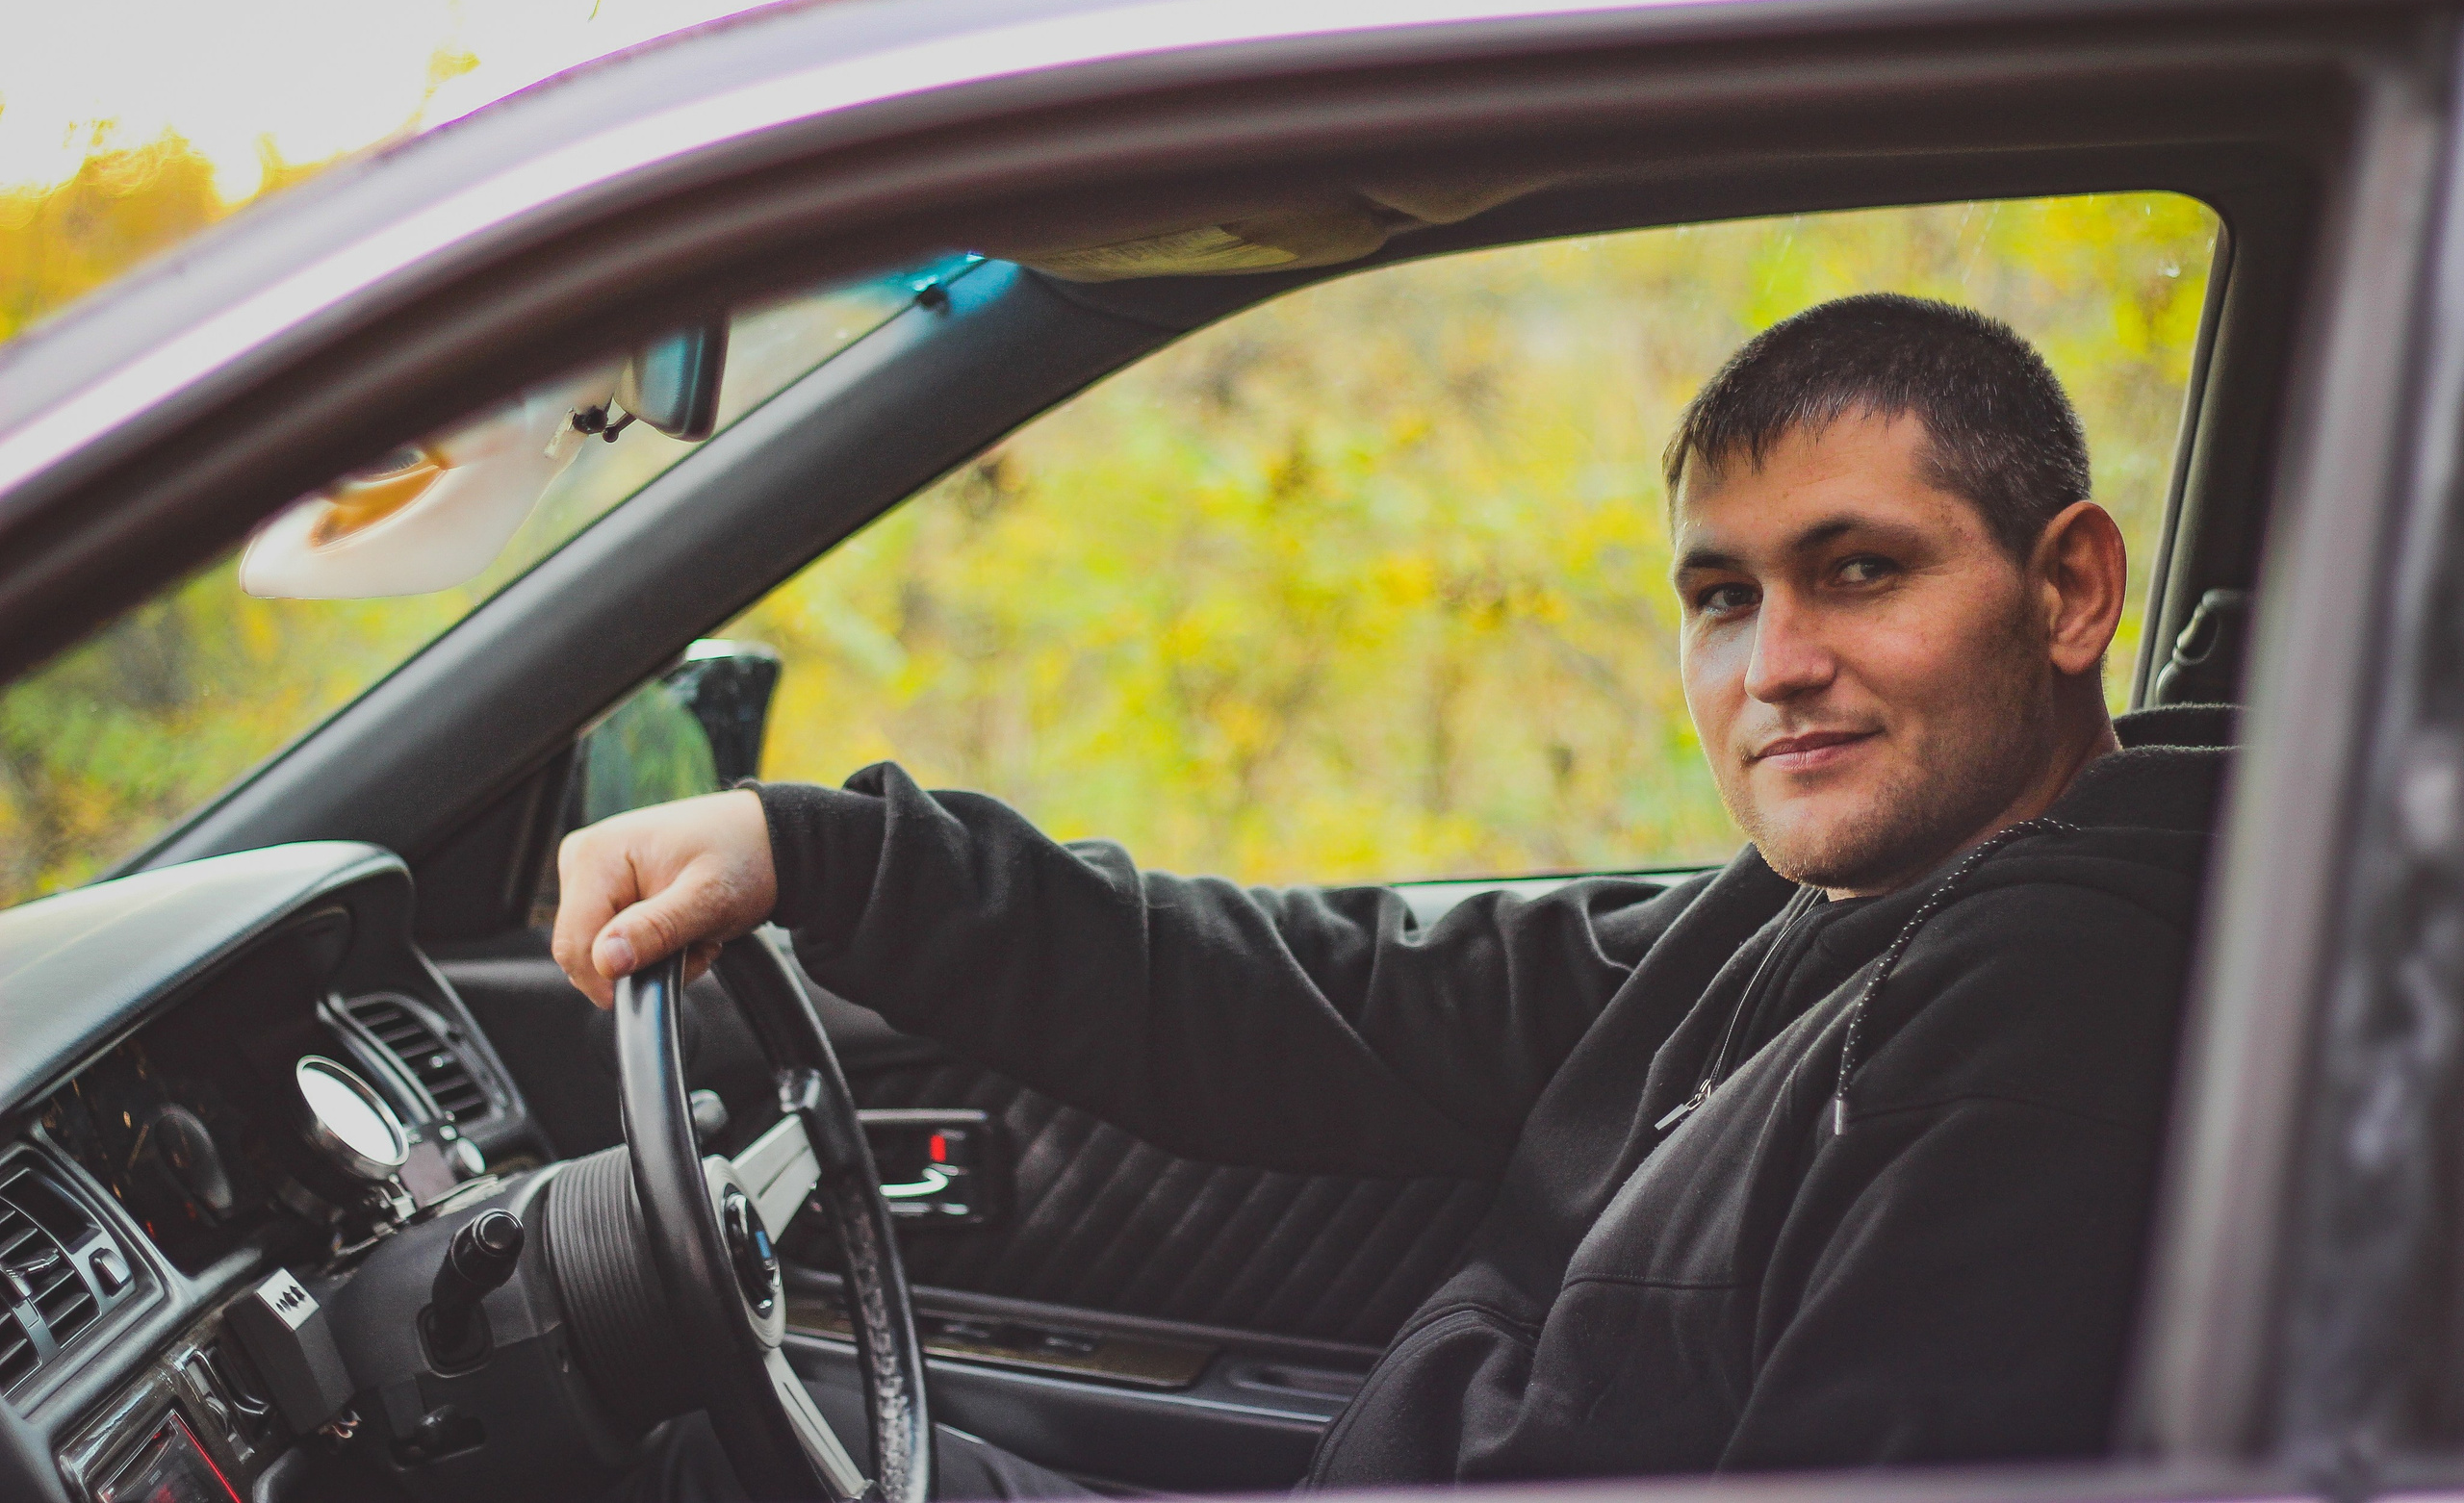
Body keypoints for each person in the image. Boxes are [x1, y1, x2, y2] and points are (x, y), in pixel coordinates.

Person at [557, 293, 2232, 1496]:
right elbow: (1344, 1001)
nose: (1777, 667)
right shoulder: (1838, 903)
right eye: (1722, 598)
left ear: (2072, 588)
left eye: (1861, 571)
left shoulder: (2047, 1000)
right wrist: (824, 856)